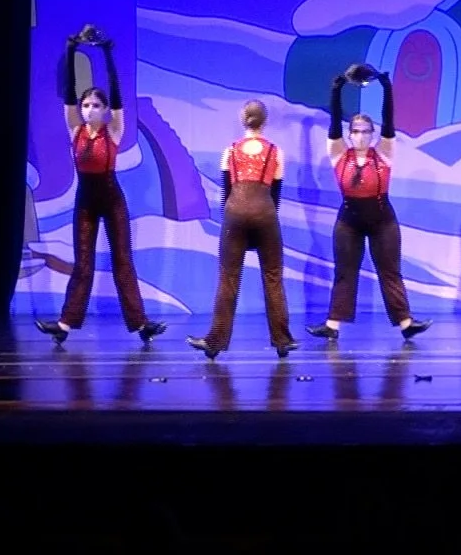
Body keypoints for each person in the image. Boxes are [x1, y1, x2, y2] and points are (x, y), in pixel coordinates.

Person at [34, 27, 165, 346]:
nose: (89, 109)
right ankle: (64, 325)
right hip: (86, 201)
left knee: (122, 260)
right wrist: (71, 49)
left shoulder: (114, 130)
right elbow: (68, 91)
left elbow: (117, 94)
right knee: (83, 264)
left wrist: (106, 53)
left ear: (105, 110)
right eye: (86, 105)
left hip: (111, 198)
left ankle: (141, 324)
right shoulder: (75, 130)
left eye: (95, 105)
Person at [307, 65, 429, 343]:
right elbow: (334, 123)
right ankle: (332, 325)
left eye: (366, 131)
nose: (361, 135)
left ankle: (406, 323)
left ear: (373, 134)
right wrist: (337, 89)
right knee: (344, 272)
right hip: (349, 220)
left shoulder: (384, 152)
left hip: (382, 220)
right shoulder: (338, 153)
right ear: (350, 134)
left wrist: (386, 87)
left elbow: (389, 121)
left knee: (390, 271)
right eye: (356, 131)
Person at [187, 100, 297, 360]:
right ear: (265, 121)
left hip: (234, 215)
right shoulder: (276, 152)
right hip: (266, 214)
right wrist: (265, 220)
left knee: (228, 278)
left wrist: (232, 222)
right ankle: (282, 341)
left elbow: (226, 193)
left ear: (242, 119)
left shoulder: (230, 151)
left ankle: (215, 342)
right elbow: (275, 194)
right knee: (273, 276)